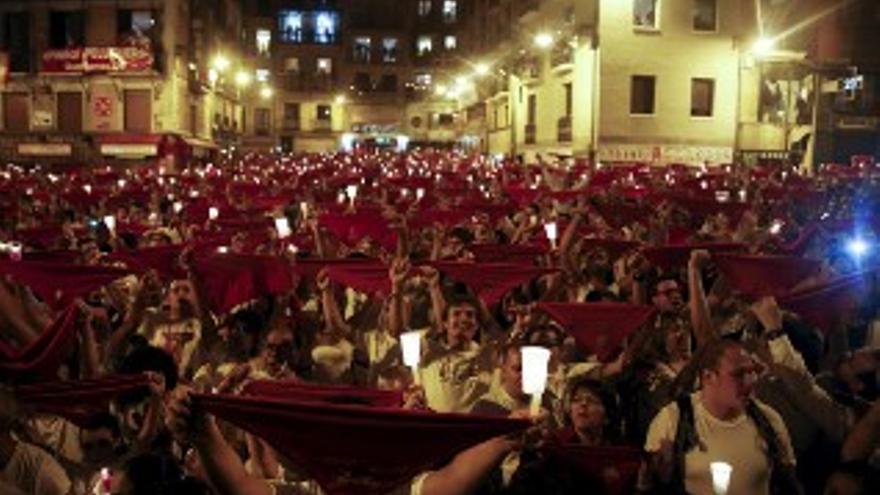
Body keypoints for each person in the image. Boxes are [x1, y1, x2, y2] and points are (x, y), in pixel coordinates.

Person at [642, 338, 801, 495]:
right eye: (739, 374)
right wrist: (661, 475)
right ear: (709, 377)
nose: (750, 381)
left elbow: (789, 484)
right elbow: (647, 485)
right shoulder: (673, 419)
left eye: (752, 372)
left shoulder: (767, 420)